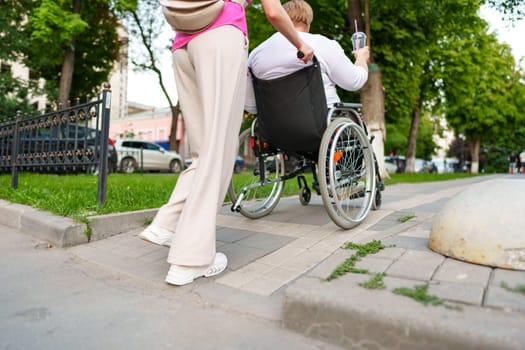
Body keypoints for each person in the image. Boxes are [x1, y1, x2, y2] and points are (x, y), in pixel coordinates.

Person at [138, 0, 314, 286]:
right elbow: (273, 10)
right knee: (218, 150)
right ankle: (190, 259)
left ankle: (166, 224)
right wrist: (301, 44)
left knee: (204, 151)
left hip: (182, 43)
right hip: (221, 36)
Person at [244, 0, 370, 114]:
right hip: (323, 124)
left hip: (274, 129)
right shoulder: (322, 44)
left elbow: (251, 105)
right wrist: (361, 58)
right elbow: (354, 82)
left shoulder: (256, 54)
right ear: (308, 23)